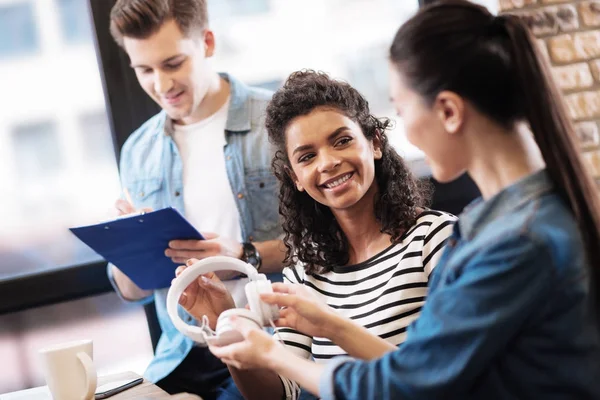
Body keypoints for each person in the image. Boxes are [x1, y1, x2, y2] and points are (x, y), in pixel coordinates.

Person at [204, 1, 600, 399]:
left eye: (402, 108)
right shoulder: (501, 221)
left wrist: (274, 351)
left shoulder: (513, 241)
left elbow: (407, 383)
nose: (404, 130)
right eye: (307, 156)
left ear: (448, 111)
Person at [175, 70, 456, 399]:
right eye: (307, 156)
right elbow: (280, 394)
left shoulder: (437, 239)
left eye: (342, 140)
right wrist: (225, 324)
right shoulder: (303, 270)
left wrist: (331, 325)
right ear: (295, 177)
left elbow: (443, 379)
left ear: (375, 143)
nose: (328, 162)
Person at [106, 1, 285, 398]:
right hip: (181, 355)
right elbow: (133, 289)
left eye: (173, 64)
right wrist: (130, 248)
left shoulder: (277, 122)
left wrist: (242, 255)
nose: (161, 84)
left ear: (206, 43)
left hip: (273, 341)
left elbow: (333, 243)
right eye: (145, 70)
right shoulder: (139, 150)